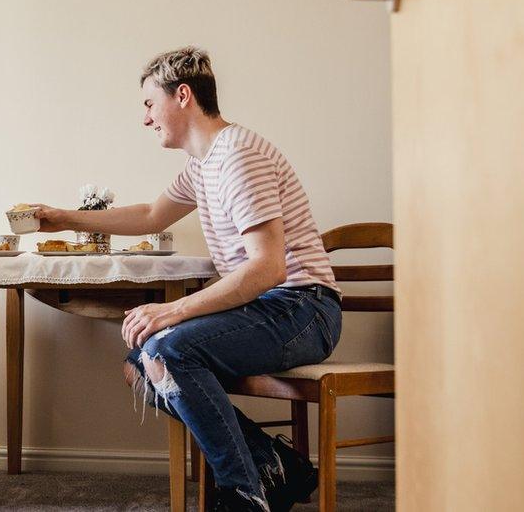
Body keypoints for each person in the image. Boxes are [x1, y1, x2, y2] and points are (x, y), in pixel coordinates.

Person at [34, 48, 341, 512]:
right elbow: (152, 214)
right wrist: (62, 218)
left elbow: (268, 267)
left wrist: (172, 310)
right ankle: (276, 463)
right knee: (139, 366)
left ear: (182, 96)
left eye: (148, 104)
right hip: (271, 306)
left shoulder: (239, 155)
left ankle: (242, 494)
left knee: (169, 350)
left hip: (303, 308)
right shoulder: (204, 164)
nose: (145, 118)